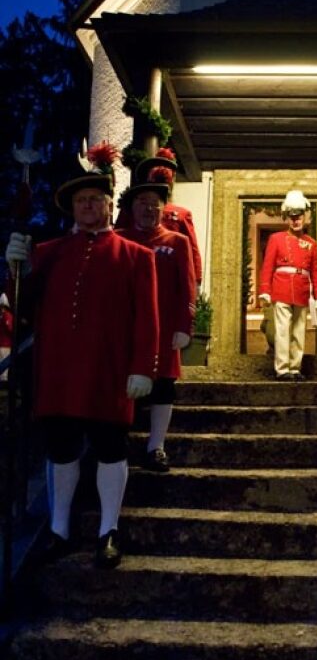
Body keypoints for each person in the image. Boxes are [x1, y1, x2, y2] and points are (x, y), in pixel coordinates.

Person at [5, 142, 159, 568]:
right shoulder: (48, 253)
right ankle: (58, 529)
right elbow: (20, 307)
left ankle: (109, 529)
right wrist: (14, 267)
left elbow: (148, 318)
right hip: (59, 372)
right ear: (71, 208)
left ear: (110, 206)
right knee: (61, 450)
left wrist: (144, 367)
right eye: (80, 201)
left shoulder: (137, 256)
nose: (88, 206)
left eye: (95, 199)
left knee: (112, 449)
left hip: (110, 373)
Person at [117, 151, 196, 472]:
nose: (149, 209)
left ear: (163, 209)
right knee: (123, 383)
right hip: (125, 328)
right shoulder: (120, 240)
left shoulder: (176, 241)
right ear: (132, 207)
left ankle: (156, 446)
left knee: (163, 385)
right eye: (142, 203)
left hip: (164, 328)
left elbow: (187, 285)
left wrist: (185, 325)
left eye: (155, 204)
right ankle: (117, 442)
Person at [115, 147, 203, 288]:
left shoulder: (182, 214)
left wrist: (195, 280)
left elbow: (191, 251)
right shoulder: (131, 209)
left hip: (165, 272)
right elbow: (117, 240)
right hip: (133, 268)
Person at [259, 190, 317, 381]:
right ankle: (282, 368)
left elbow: (315, 271)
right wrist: (265, 290)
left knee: (299, 331)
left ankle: (295, 367)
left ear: (305, 217)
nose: (296, 220)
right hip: (281, 288)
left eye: (299, 216)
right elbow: (268, 266)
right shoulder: (276, 239)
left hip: (302, 290)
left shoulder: (311, 243)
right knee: (282, 331)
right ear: (288, 218)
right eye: (293, 217)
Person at [0, 292, 13, 382]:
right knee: (5, 364)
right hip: (6, 344)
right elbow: (10, 329)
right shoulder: (7, 315)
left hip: (1, 343)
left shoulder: (1, 316)